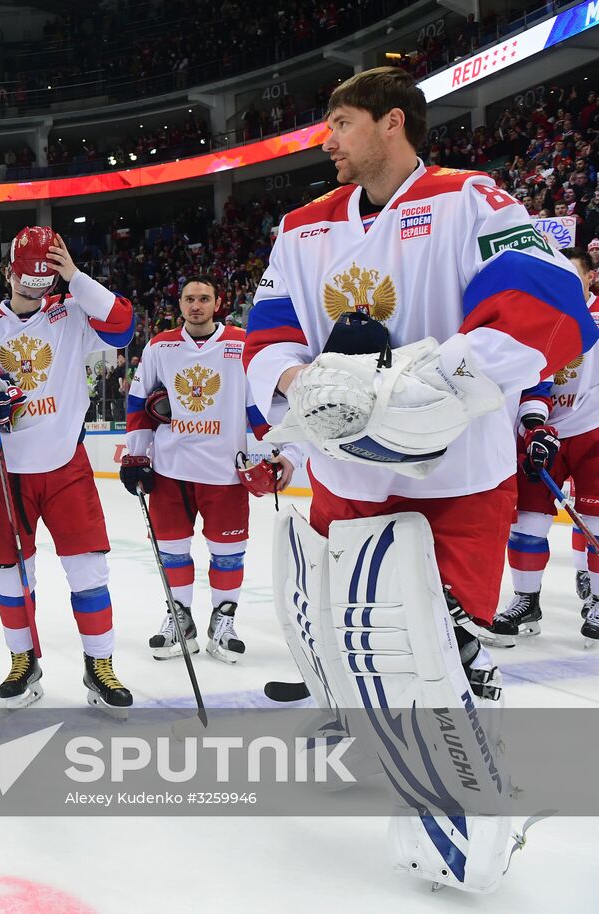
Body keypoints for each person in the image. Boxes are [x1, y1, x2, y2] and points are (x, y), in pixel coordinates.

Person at [245, 67, 593, 893]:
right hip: (343, 476)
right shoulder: (300, 228)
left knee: (429, 652)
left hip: (458, 478)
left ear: (391, 122)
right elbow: (266, 343)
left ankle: (464, 818)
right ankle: (384, 752)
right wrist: (305, 389)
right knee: (339, 644)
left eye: (339, 122)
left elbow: (552, 307)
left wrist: (426, 382)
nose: (325, 140)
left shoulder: (472, 199)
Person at [0, 227, 135, 713]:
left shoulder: (71, 313)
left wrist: (75, 277)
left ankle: (100, 663)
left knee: (88, 570)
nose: (34, 292)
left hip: (65, 464)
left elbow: (124, 326)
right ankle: (23, 659)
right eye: (26, 282)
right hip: (2, 471)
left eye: (44, 283)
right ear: (8, 273)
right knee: (11, 573)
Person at [121, 276, 297, 663]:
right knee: (172, 552)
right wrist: (136, 455)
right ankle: (180, 620)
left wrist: (281, 452)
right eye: (189, 299)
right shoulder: (159, 346)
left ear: (218, 303)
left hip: (225, 473)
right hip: (171, 471)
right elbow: (138, 402)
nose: (195, 305)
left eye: (204, 298)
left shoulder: (240, 343)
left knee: (229, 554)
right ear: (179, 303)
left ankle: (223, 623)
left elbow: (260, 408)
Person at [493, 247, 599, 645]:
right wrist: (534, 425)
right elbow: (532, 380)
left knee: (596, 523)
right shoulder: (541, 317)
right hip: (544, 433)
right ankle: (526, 601)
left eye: (574, 274)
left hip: (592, 432)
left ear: (590, 276)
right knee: (527, 524)